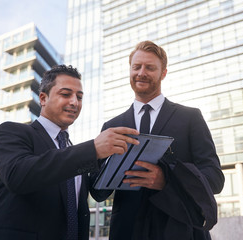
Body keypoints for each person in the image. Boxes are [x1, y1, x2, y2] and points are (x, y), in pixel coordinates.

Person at [0, 65, 139, 240]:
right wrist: (93, 149)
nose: (74, 102)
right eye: (65, 94)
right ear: (43, 98)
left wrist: (119, 162)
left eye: (79, 97)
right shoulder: (12, 131)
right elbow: (18, 176)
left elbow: (97, 195)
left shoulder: (72, 150)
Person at [91, 41, 225, 240]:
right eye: (136, 67)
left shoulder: (190, 118)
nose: (141, 73)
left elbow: (214, 178)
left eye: (150, 68)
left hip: (181, 231)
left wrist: (167, 179)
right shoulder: (111, 127)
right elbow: (97, 192)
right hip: (127, 232)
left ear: (163, 73)